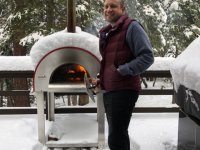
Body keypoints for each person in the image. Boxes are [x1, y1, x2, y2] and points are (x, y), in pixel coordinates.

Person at [92, 0, 154, 149]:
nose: (108, 9)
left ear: (122, 8)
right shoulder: (110, 31)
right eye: (106, 6)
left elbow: (147, 57)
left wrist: (122, 71)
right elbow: (111, 62)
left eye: (113, 6)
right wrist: (102, 80)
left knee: (116, 137)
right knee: (117, 135)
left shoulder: (131, 27)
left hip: (124, 90)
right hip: (112, 89)